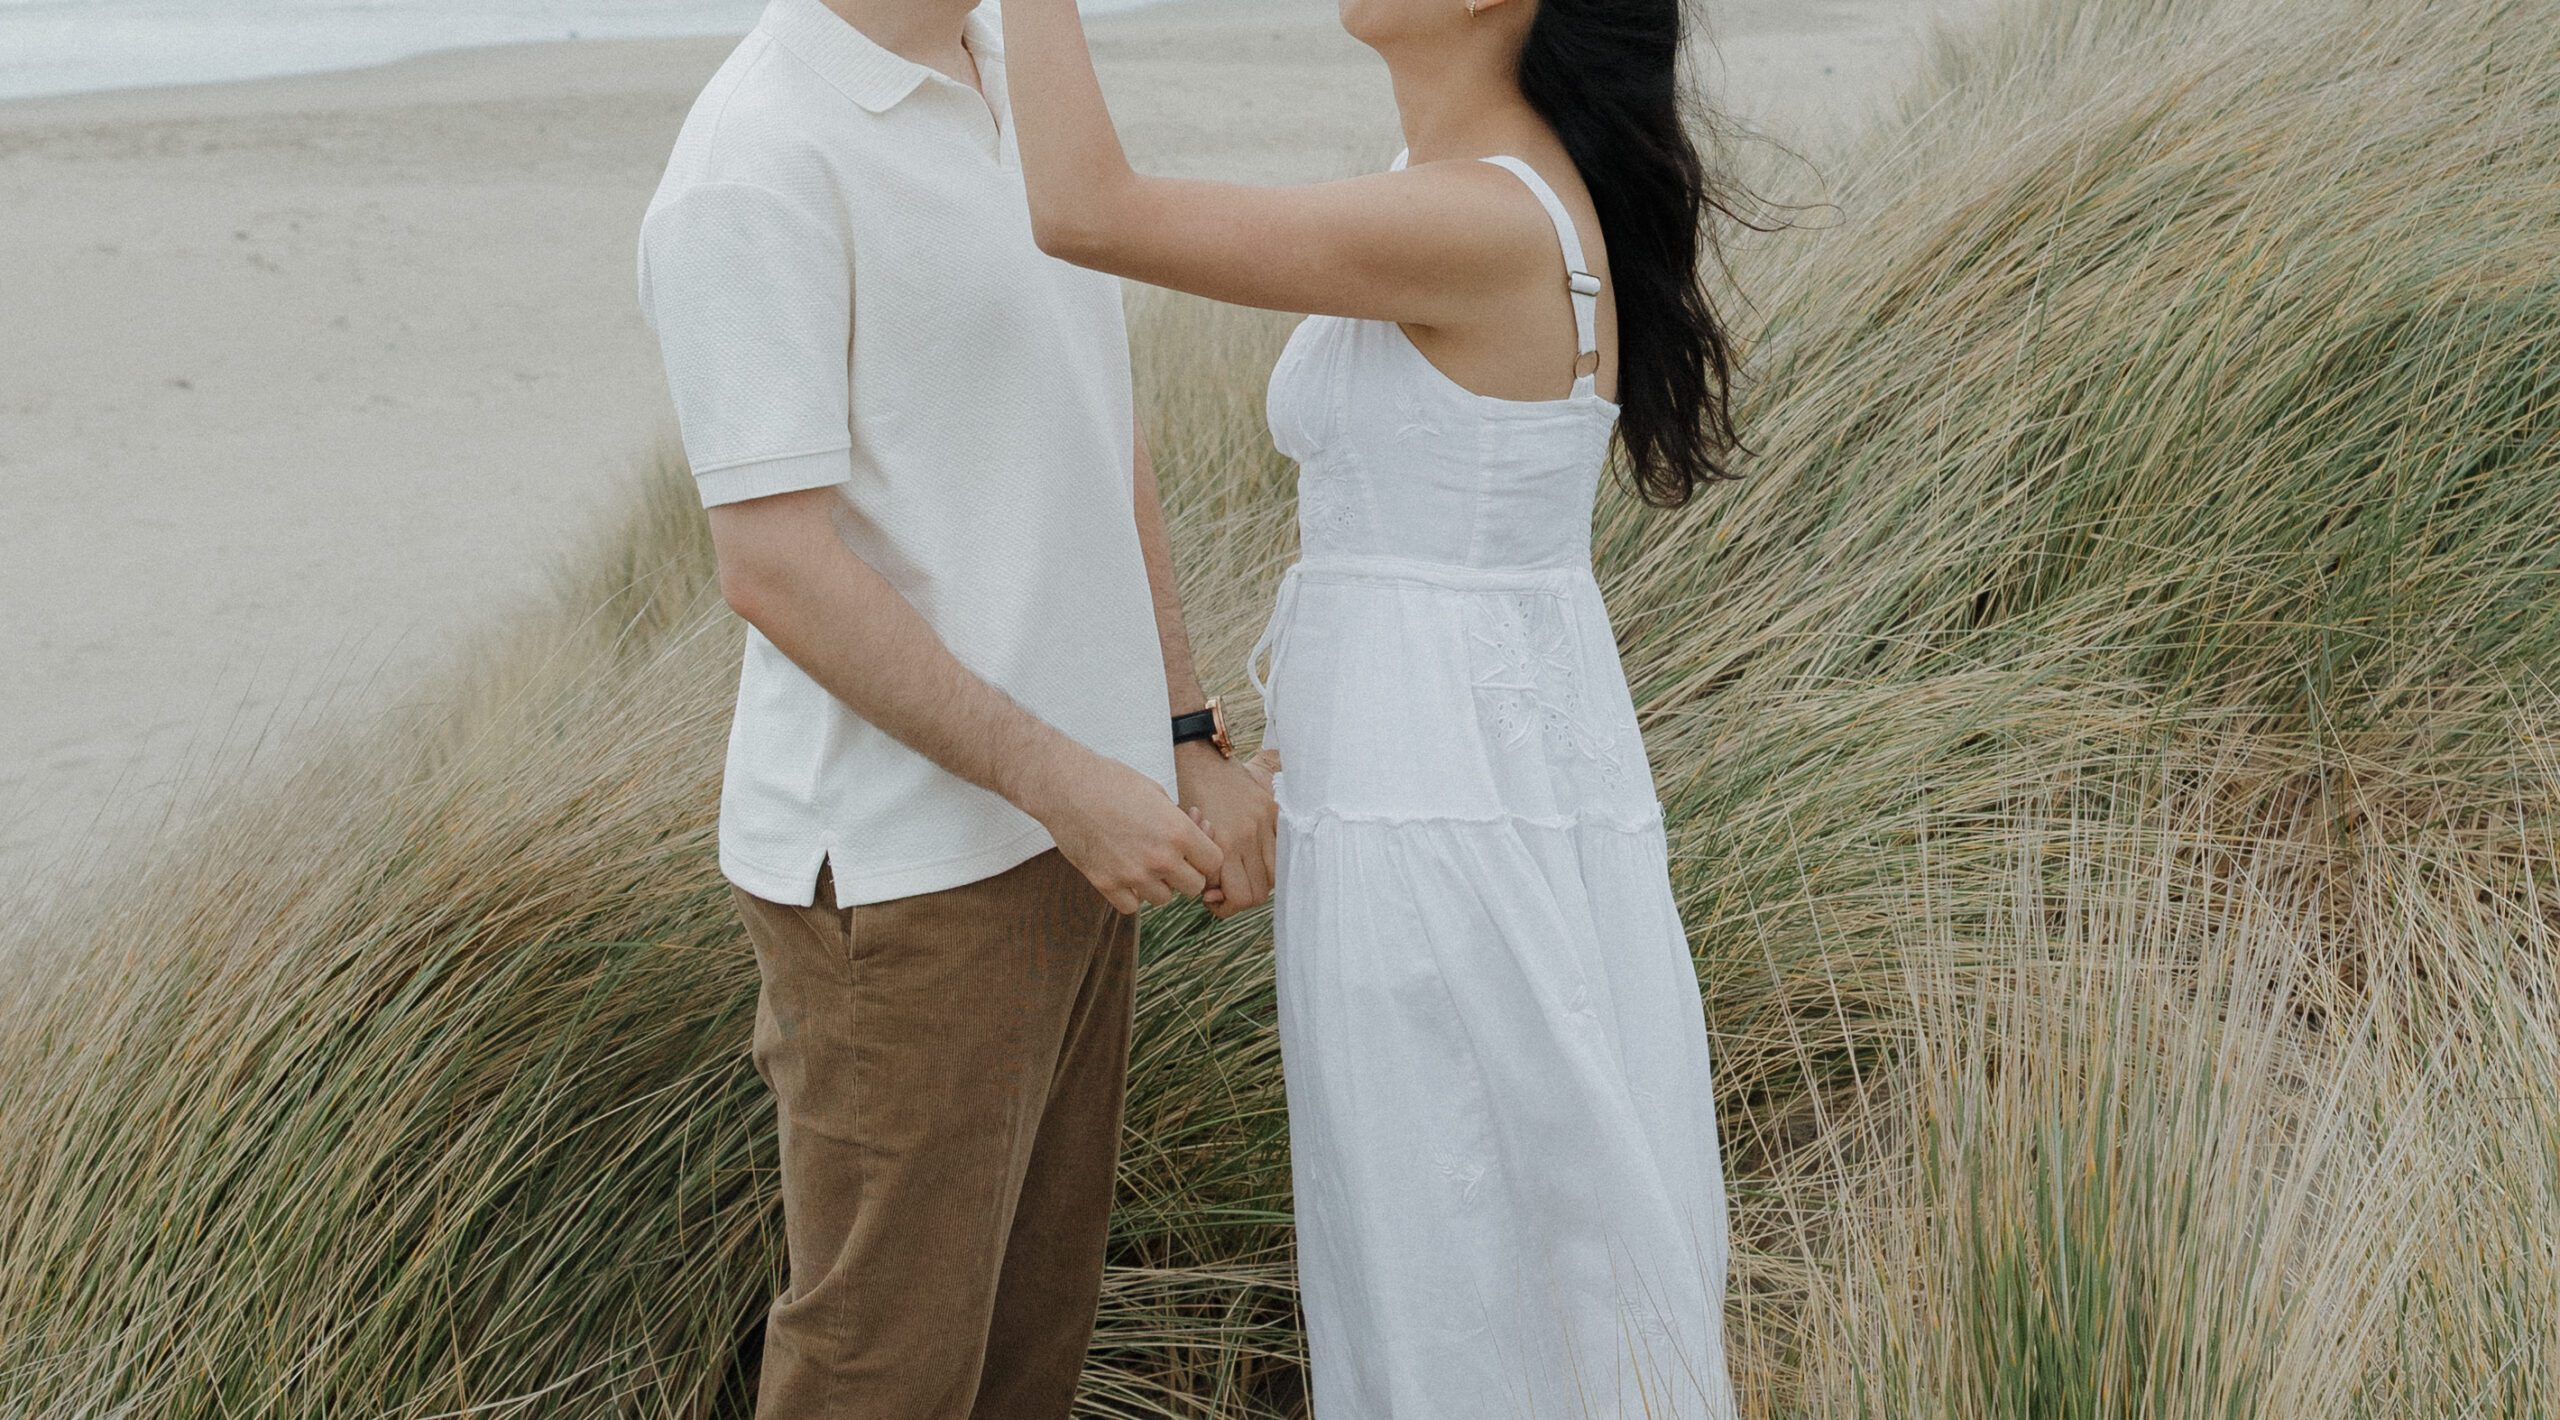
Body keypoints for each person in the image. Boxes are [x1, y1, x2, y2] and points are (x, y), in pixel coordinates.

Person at [998, 0, 1749, 1413]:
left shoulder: (1478, 218)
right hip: (1454, 776)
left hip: (1439, 811)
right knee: (1486, 1241)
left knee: (1452, 1250)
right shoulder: (1480, 193)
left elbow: (1085, 208)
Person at [634, 0, 1281, 1414]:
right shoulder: (758, 154)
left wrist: (1181, 737)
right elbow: (776, 567)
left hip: (1081, 834)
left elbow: (1103, 432)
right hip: (907, 875)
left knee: (1026, 1354)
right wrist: (1064, 780)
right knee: (886, 1371)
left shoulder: (1016, 85)